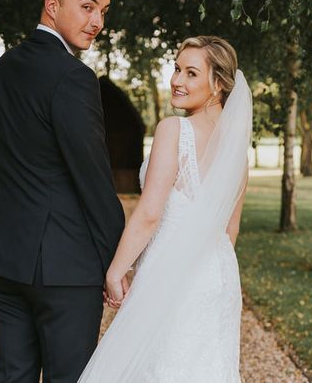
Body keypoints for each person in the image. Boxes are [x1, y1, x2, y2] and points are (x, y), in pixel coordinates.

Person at [0, 0, 125, 383]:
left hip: (1, 258)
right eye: (88, 6)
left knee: (9, 375)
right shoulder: (73, 77)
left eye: (104, 12)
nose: (97, 22)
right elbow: (93, 178)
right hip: (64, 267)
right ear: (52, 5)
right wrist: (121, 258)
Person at [79, 36, 252, 383]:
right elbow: (230, 230)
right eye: (176, 69)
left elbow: (149, 214)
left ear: (217, 84)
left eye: (190, 73)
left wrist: (116, 271)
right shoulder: (238, 152)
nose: (176, 80)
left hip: (173, 277)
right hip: (218, 278)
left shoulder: (174, 130)